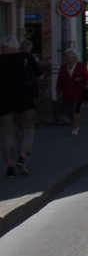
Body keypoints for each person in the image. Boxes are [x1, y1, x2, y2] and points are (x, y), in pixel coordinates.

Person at [0, 36, 42, 177]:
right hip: (24, 101)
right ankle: (22, 157)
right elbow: (40, 74)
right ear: (15, 46)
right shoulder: (25, 57)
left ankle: (10, 166)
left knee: (7, 133)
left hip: (3, 103)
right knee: (26, 129)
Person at [56, 48, 88, 137]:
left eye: (68, 57)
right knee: (68, 111)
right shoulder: (63, 67)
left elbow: (87, 77)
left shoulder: (81, 66)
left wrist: (81, 78)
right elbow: (60, 80)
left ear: (74, 57)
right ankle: (75, 123)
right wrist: (58, 90)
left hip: (78, 91)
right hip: (67, 91)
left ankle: (75, 128)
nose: (67, 59)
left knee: (75, 110)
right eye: (66, 57)